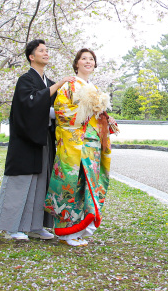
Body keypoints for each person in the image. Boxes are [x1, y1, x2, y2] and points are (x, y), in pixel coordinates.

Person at [0, 39, 74, 241]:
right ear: (32, 56)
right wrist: (59, 85)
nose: (46, 53)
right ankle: (12, 227)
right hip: (25, 140)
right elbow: (28, 106)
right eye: (42, 51)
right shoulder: (26, 80)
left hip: (43, 139)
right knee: (21, 183)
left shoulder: (48, 82)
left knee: (42, 183)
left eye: (47, 50)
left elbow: (55, 108)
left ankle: (36, 226)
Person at [45, 48, 118, 246]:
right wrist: (84, 112)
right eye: (84, 59)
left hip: (92, 143)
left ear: (95, 64)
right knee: (72, 183)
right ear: (76, 63)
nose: (88, 62)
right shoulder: (69, 85)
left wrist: (104, 118)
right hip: (74, 142)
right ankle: (67, 232)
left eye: (91, 59)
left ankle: (80, 229)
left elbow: (96, 115)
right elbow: (61, 111)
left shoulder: (94, 88)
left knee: (88, 184)